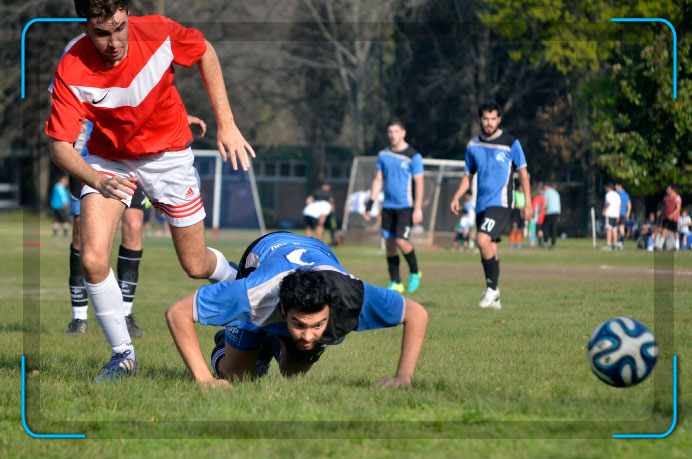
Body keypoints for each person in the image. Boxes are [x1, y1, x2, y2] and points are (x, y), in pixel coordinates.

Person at [46, 0, 254, 382]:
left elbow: (206, 51)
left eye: (119, 28)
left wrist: (227, 123)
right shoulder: (72, 66)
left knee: (194, 264)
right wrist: (96, 179)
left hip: (168, 154)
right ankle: (123, 356)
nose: (113, 42)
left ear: (126, 13)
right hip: (109, 160)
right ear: (84, 27)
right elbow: (60, 146)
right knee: (92, 259)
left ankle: (248, 284)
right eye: (101, 33)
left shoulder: (159, 32)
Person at [165, 232, 428, 388]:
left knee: (293, 376)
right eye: (299, 324)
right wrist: (204, 380)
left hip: (315, 248)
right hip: (264, 253)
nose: (308, 335)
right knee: (238, 377)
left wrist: (403, 377)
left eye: (318, 324)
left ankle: (270, 341)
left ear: (331, 309)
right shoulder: (253, 294)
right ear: (282, 308)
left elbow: (416, 314)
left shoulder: (351, 297)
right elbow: (177, 313)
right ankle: (233, 325)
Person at [450, 102, 532, 310]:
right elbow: (467, 176)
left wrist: (528, 203)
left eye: (493, 118)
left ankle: (491, 289)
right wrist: (457, 196)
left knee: (482, 239)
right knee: (490, 247)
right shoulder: (472, 145)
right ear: (480, 120)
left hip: (502, 202)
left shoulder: (510, 142)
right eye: (485, 119)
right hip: (481, 205)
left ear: (499, 119)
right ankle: (494, 295)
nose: (489, 123)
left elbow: (523, 172)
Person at [364, 119, 424, 293]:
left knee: (401, 241)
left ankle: (414, 271)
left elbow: (419, 182)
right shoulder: (383, 155)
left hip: (405, 206)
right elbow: (378, 179)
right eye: (390, 132)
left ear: (403, 133)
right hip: (388, 206)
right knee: (389, 243)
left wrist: (418, 208)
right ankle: (395, 281)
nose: (393, 135)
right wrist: (370, 202)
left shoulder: (413, 156)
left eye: (396, 131)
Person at [50, 175, 71, 240]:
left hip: (55, 206)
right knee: (66, 220)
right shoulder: (60, 187)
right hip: (60, 206)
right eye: (65, 180)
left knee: (57, 220)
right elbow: (62, 197)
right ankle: (66, 236)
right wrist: (66, 205)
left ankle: (55, 236)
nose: (67, 182)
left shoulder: (57, 186)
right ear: (62, 180)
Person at [662, 184, 682, 250]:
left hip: (674, 218)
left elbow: (678, 208)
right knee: (664, 231)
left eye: (668, 189)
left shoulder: (677, 197)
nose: (667, 190)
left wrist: (672, 214)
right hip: (666, 218)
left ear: (672, 189)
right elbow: (665, 207)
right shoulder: (666, 198)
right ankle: (660, 246)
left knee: (675, 232)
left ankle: (677, 247)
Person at [602, 183, 621, 250]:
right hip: (616, 214)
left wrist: (604, 210)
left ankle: (609, 244)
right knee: (615, 230)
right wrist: (618, 215)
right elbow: (619, 205)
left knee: (609, 230)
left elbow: (609, 203)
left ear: (608, 188)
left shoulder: (608, 194)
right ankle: (615, 244)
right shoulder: (617, 195)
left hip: (609, 213)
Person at [541, 183, 560, 249]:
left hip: (549, 212)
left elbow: (545, 203)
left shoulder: (547, 192)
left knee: (545, 227)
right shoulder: (556, 192)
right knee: (554, 228)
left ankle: (545, 242)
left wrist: (541, 210)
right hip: (556, 212)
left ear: (546, 187)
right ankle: (553, 244)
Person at [508, 181, 525, 249]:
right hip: (515, 213)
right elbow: (512, 204)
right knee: (514, 228)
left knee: (520, 229)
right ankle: (511, 243)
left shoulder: (524, 194)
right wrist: (519, 207)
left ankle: (518, 243)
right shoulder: (514, 193)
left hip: (522, 213)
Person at [615, 183, 631, 249]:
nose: (615, 187)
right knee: (622, 229)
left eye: (616, 186)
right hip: (624, 214)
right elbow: (629, 205)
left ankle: (618, 243)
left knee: (616, 229)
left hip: (616, 214)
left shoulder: (616, 193)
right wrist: (628, 214)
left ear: (620, 186)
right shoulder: (626, 194)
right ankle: (620, 243)